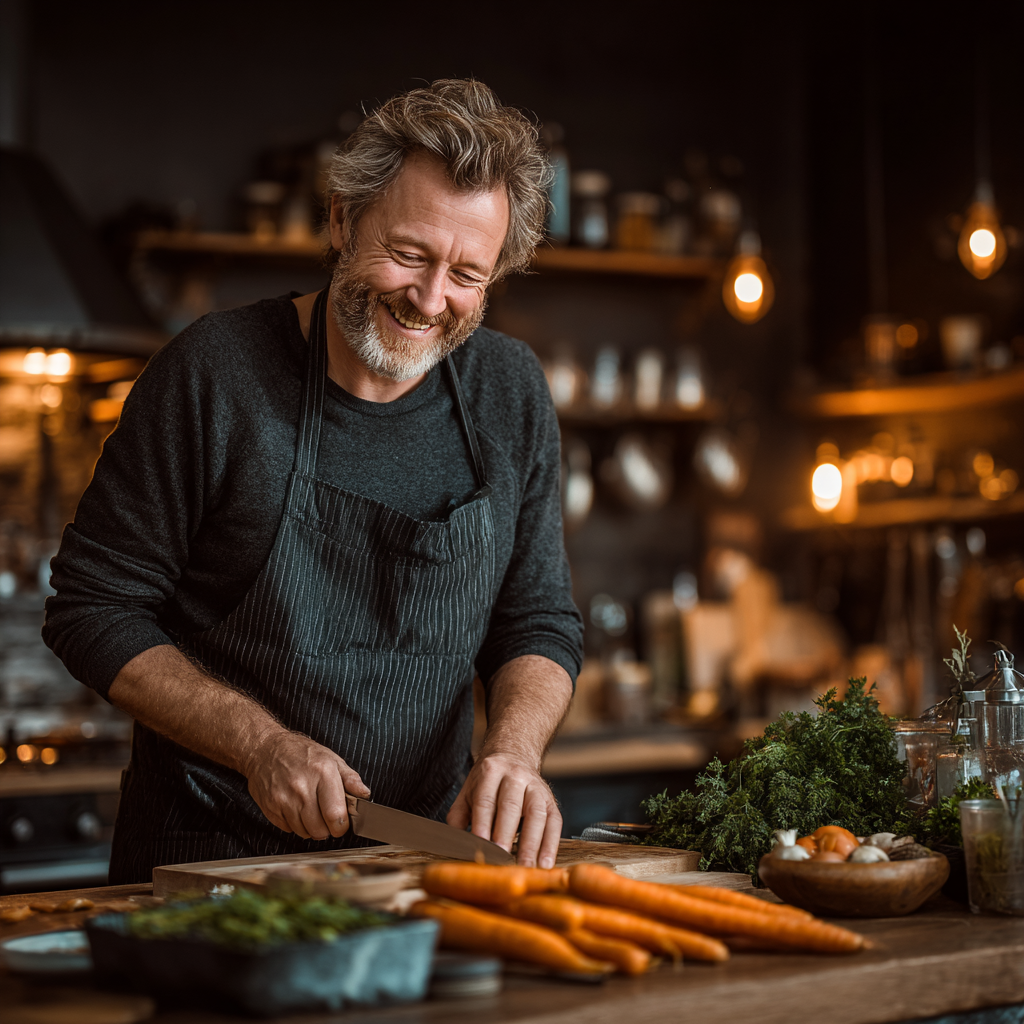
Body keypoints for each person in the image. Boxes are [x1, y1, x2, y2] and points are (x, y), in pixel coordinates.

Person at [42, 79, 583, 883]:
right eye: (408, 254)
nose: (431, 299)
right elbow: (92, 606)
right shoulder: (213, 375)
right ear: (339, 220)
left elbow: (537, 621)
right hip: (209, 869)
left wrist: (512, 753)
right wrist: (260, 745)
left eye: (467, 273)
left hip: (420, 868)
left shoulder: (508, 392)